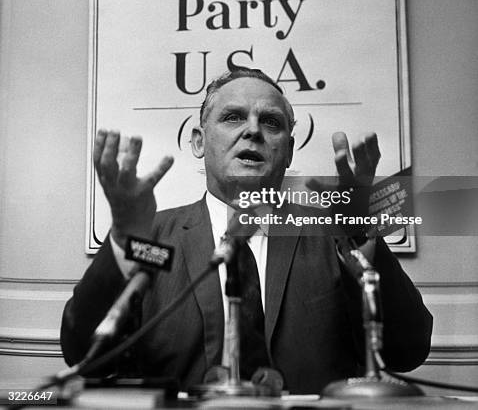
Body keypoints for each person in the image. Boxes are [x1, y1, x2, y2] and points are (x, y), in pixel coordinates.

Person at [61, 67, 432, 394]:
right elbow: (83, 354)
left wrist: (363, 234)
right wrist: (124, 239)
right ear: (199, 141)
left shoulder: (335, 232)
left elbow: (408, 350)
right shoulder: (151, 239)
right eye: (233, 117)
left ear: (287, 151)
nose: (252, 131)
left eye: (271, 122)